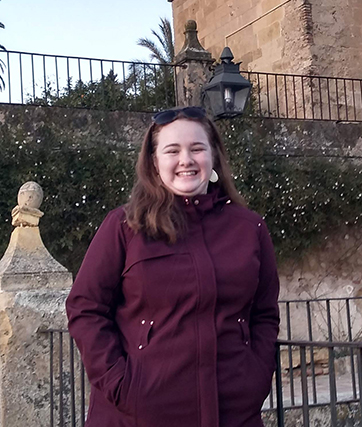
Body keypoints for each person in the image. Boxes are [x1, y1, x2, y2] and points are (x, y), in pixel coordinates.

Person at [65, 106, 280, 427]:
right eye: (172, 150)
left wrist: (257, 377)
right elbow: (85, 308)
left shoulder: (249, 228)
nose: (186, 160)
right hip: (138, 413)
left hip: (233, 412)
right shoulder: (124, 227)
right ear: (154, 162)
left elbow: (264, 313)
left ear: (214, 156)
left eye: (197, 148)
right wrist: (121, 383)